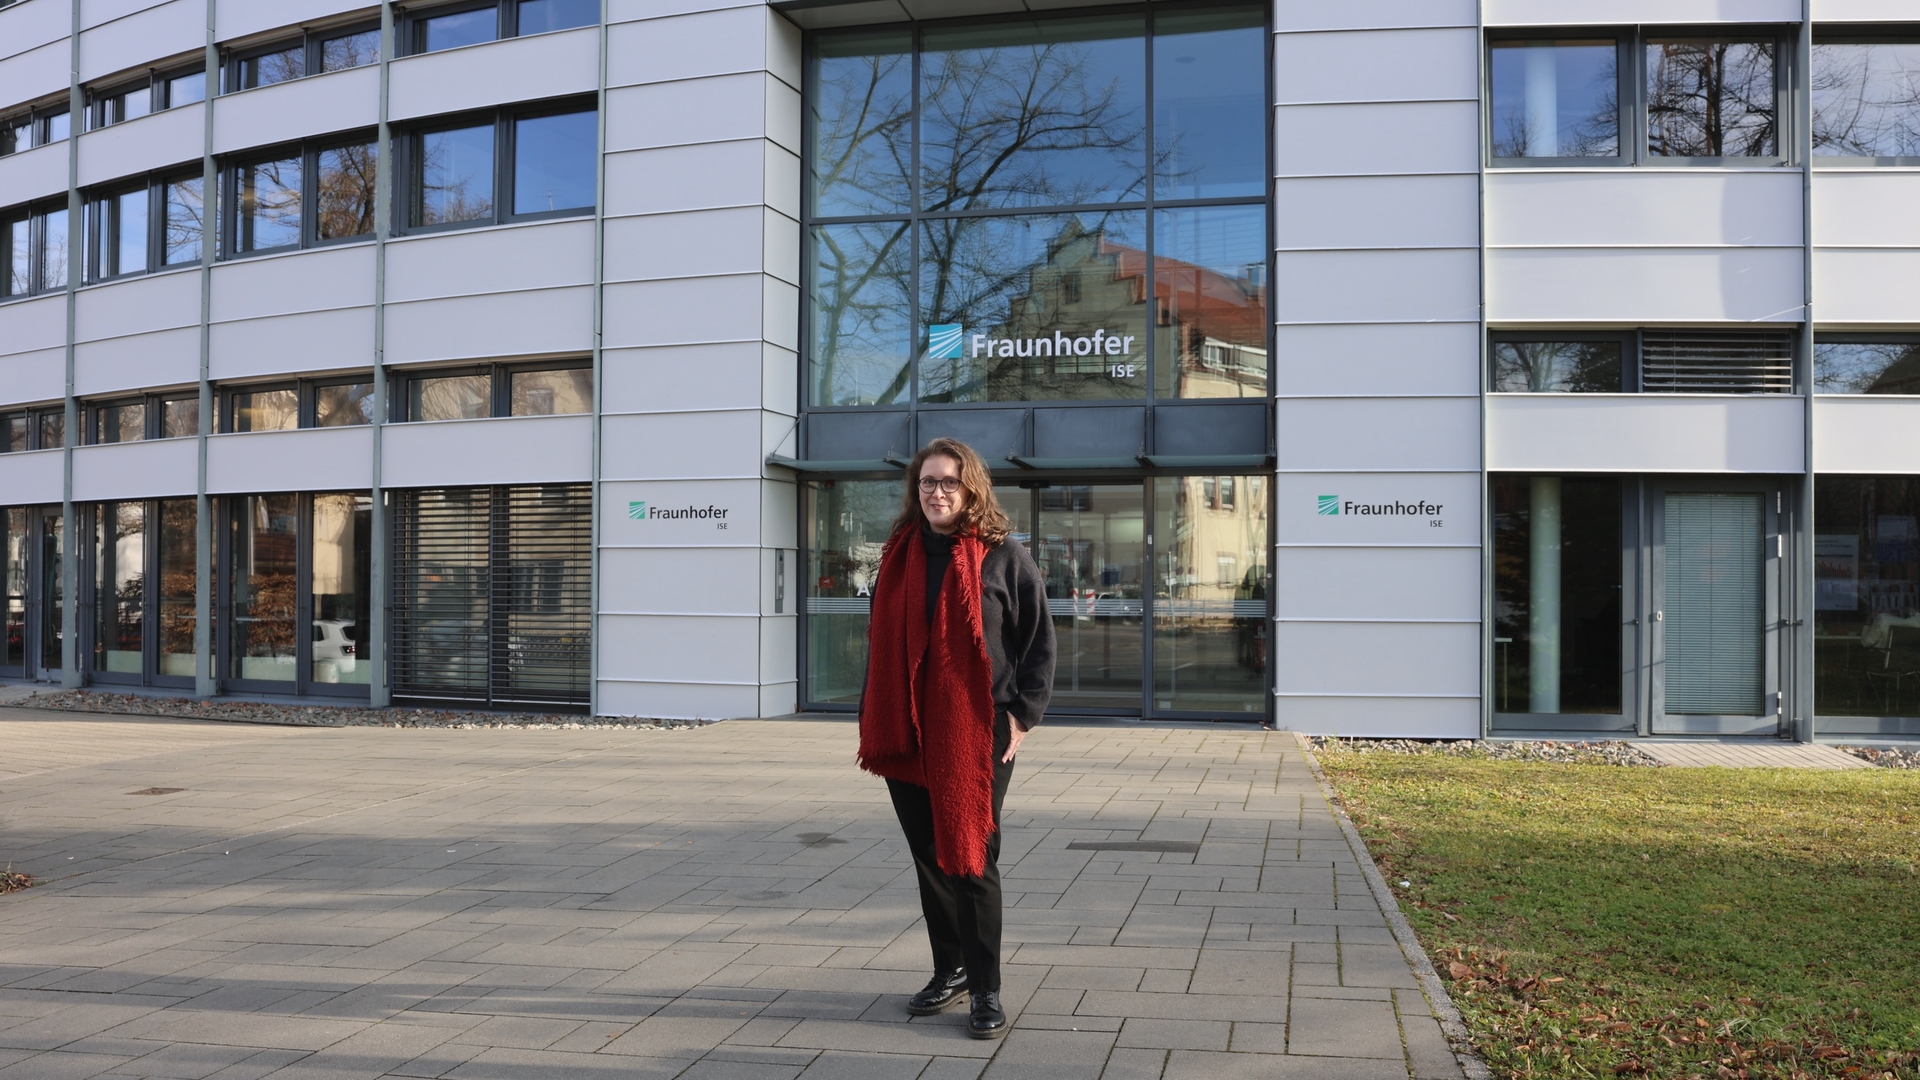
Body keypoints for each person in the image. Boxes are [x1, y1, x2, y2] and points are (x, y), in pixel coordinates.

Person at [857, 437, 1056, 1040]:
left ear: (971, 489)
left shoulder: (1003, 556)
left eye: (949, 482)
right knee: (929, 857)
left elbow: (1038, 642)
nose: (937, 492)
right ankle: (952, 968)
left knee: (971, 858)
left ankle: (986, 987)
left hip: (976, 728)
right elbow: (881, 644)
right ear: (915, 490)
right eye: (927, 482)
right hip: (906, 728)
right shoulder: (898, 555)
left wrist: (1023, 715)